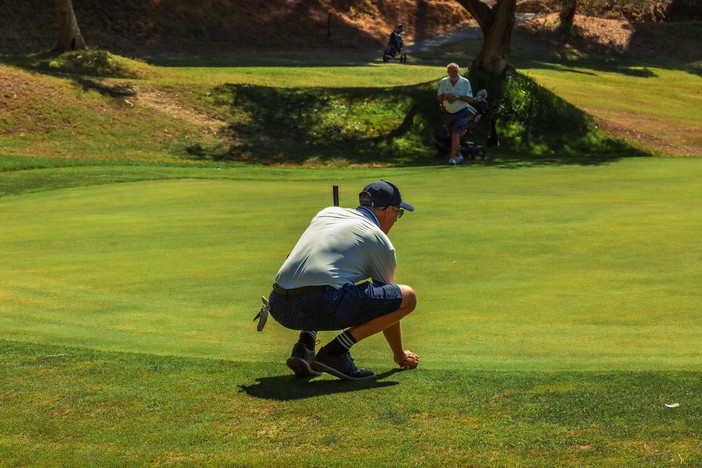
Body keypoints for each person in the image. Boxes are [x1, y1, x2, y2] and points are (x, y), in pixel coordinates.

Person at [267, 180, 420, 381]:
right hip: (321, 305)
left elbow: (292, 257)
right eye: (398, 213)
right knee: (407, 297)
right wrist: (400, 356)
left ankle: (304, 346)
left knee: (324, 279)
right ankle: (335, 353)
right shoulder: (379, 239)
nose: (396, 219)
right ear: (388, 210)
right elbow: (389, 305)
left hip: (279, 307)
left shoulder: (327, 213)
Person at [436, 63, 478, 165]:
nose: (453, 73)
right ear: (448, 72)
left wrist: (457, 97)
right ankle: (458, 155)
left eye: (455, 71)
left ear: (458, 71)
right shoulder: (444, 82)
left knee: (455, 134)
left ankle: (453, 158)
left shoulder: (465, 82)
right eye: (451, 71)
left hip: (462, 112)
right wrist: (446, 97)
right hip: (449, 113)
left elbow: (470, 99)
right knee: (453, 136)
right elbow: (439, 97)